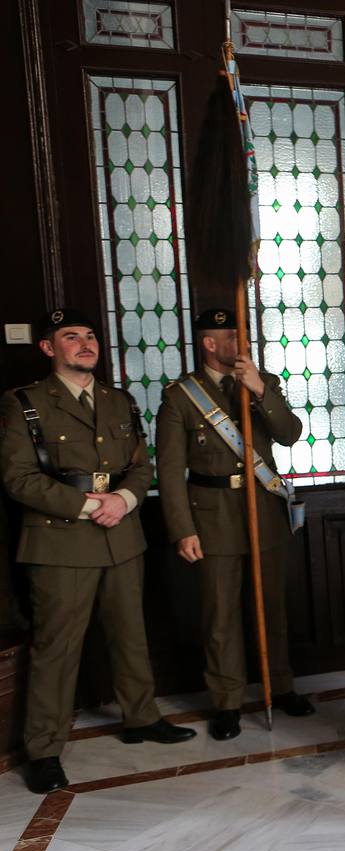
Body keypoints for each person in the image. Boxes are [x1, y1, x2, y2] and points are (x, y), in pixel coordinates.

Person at [0, 309, 195, 795]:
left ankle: (141, 717)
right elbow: (18, 478)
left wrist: (125, 499)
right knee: (56, 648)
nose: (85, 344)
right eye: (71, 337)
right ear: (49, 348)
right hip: (61, 539)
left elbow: (140, 466)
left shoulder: (118, 401)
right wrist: (90, 506)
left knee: (131, 634)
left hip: (122, 533)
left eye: (90, 336)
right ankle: (43, 749)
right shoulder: (23, 403)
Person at [156, 307, 315, 741]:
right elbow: (169, 472)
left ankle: (280, 686)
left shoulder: (262, 383)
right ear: (210, 343)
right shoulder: (181, 397)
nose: (242, 345)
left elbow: (289, 433)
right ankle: (226, 701)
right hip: (212, 515)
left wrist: (261, 390)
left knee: (272, 608)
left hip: (262, 508)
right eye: (232, 338)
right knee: (220, 615)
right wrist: (182, 528)